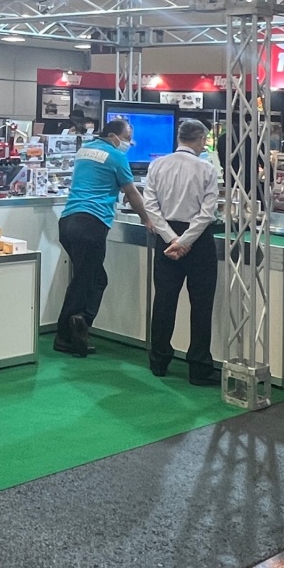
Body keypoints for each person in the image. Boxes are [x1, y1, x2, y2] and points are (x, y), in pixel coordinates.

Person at [55, 118, 172, 356]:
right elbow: (132, 192)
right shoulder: (117, 157)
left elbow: (100, 180)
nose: (129, 143)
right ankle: (67, 334)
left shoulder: (85, 150)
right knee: (84, 282)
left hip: (68, 222)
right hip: (91, 223)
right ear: (113, 136)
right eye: (127, 138)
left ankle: (79, 325)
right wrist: (147, 219)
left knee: (94, 279)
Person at [142, 119, 221, 386]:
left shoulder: (157, 165)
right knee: (201, 304)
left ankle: (159, 361)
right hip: (198, 240)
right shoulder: (206, 169)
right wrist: (186, 240)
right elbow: (207, 213)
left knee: (164, 300)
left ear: (179, 137)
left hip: (167, 238)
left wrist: (171, 239)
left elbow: (150, 207)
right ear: (200, 139)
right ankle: (199, 367)